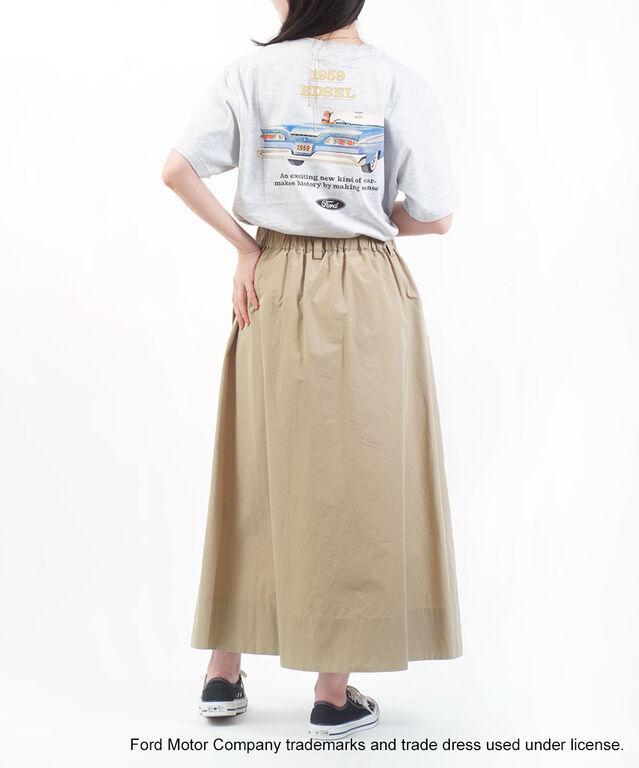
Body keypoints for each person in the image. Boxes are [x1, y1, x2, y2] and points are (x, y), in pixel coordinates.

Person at [162, 0, 463, 741]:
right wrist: (371, 215)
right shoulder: (397, 82)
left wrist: (246, 248)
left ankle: (223, 673)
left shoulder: (251, 73)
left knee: (257, 465)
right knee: (358, 478)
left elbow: (177, 170)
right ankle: (332, 694)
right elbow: (438, 215)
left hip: (274, 278)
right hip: (367, 287)